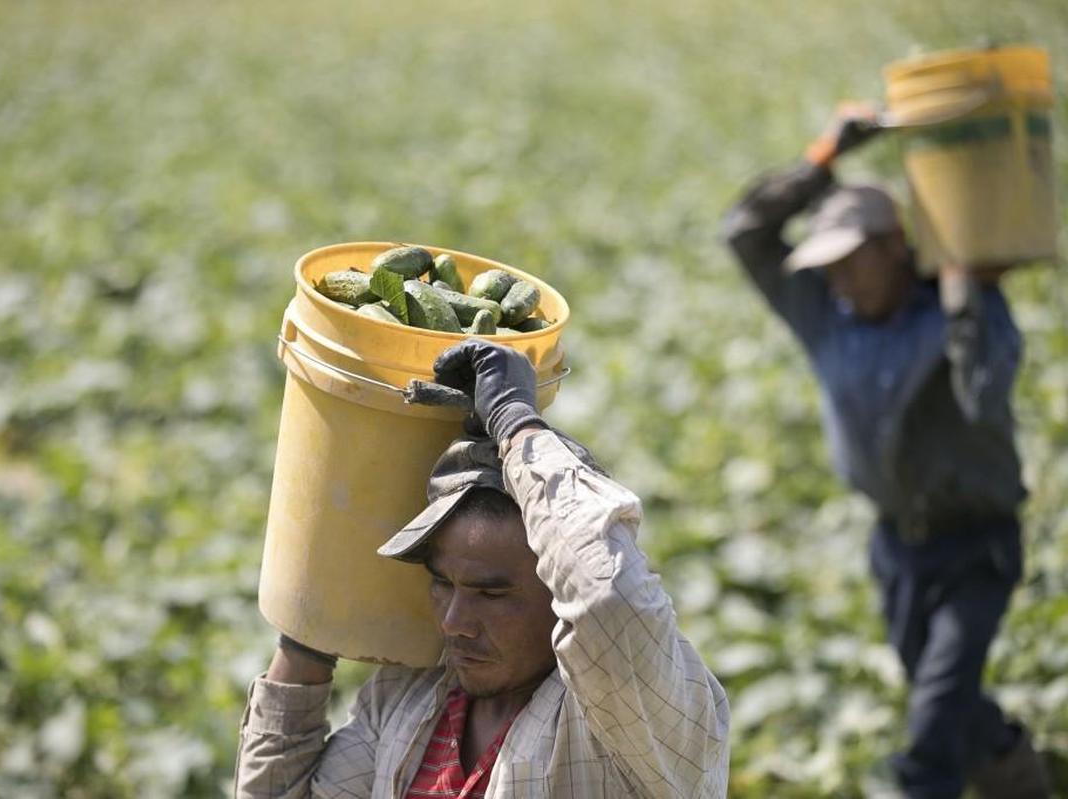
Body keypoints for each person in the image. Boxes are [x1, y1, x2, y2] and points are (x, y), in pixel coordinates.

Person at [722, 105, 1051, 798]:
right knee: (945, 695)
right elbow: (747, 234)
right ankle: (1018, 767)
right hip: (898, 544)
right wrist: (822, 158)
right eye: (827, 267)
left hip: (977, 543)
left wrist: (964, 279)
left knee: (932, 721)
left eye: (850, 263)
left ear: (893, 247)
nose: (837, 280)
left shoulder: (957, 310)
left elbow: (986, 391)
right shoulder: (822, 314)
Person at [234, 339, 730, 798]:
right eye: (442, 584)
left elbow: (607, 595)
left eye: (491, 595)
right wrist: (307, 640)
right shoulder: (410, 701)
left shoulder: (632, 711)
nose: (453, 622)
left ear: (557, 592)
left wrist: (518, 426)